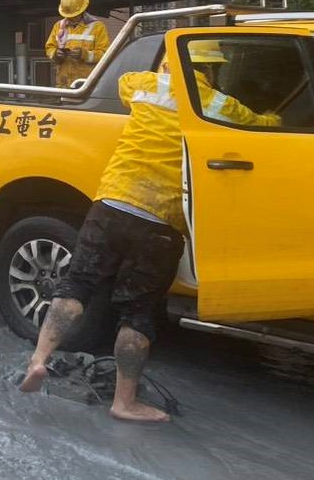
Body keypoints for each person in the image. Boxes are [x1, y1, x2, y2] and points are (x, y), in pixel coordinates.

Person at [20, 39, 280, 422]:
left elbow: (124, 82)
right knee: (137, 313)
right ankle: (125, 402)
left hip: (111, 203)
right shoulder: (222, 106)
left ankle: (39, 360)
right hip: (159, 222)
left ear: (169, 65)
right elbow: (265, 127)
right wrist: (276, 115)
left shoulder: (144, 85)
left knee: (77, 285)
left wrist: (161, 76)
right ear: (212, 72)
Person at [45, 0, 109, 88]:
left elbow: (105, 55)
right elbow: (49, 48)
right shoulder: (59, 26)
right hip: (63, 84)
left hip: (86, 84)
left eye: (73, 15)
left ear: (82, 11)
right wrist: (56, 54)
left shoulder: (97, 27)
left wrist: (84, 54)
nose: (70, 18)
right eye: (67, 15)